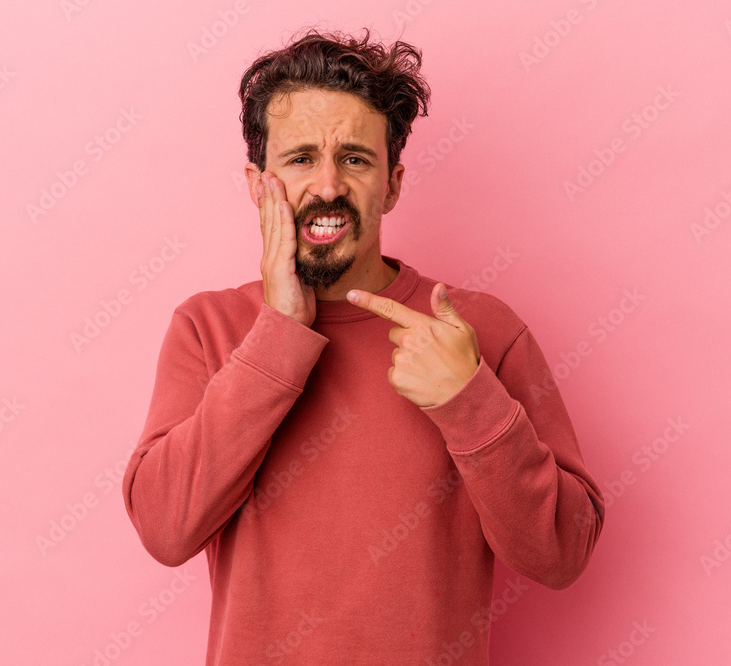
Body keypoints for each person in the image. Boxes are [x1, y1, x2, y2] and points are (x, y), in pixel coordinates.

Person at [121, 26, 605, 664]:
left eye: (354, 158)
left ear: (394, 182)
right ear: (256, 183)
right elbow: (165, 528)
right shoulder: (208, 327)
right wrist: (278, 333)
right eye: (300, 160)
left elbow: (561, 554)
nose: (327, 187)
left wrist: (471, 401)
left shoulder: (479, 331)